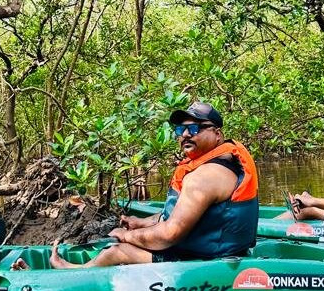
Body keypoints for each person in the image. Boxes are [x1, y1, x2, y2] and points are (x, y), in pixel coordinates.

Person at [48, 100, 259, 268]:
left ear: (217, 135)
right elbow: (185, 214)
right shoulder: (215, 166)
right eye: (180, 130)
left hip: (210, 261)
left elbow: (170, 234)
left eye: (194, 129)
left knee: (116, 251)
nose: (185, 134)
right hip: (213, 250)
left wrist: (127, 235)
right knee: (125, 243)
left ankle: (74, 272)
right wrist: (141, 223)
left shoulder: (204, 177)